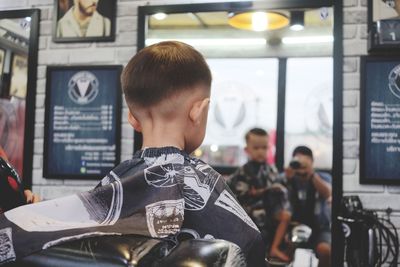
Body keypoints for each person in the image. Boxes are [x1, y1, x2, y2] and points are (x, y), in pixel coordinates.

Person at [0, 41, 265, 266]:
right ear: (199, 111)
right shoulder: (204, 183)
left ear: (132, 119)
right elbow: (250, 246)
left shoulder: (117, 181)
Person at [229, 128, 291, 262]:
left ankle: (274, 248)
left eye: (264, 147)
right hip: (250, 212)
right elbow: (241, 194)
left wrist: (285, 179)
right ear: (247, 150)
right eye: (256, 148)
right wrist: (264, 191)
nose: (261, 152)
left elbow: (278, 184)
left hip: (270, 208)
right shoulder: (243, 172)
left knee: (286, 215)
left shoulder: (270, 168)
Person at [284, 146, 332, 267]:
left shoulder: (322, 177)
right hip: (293, 225)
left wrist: (312, 175)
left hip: (319, 227)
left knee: (325, 250)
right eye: (298, 161)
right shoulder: (288, 177)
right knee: (284, 251)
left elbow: (328, 194)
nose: (301, 166)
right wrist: (288, 179)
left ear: (312, 162)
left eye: (304, 162)